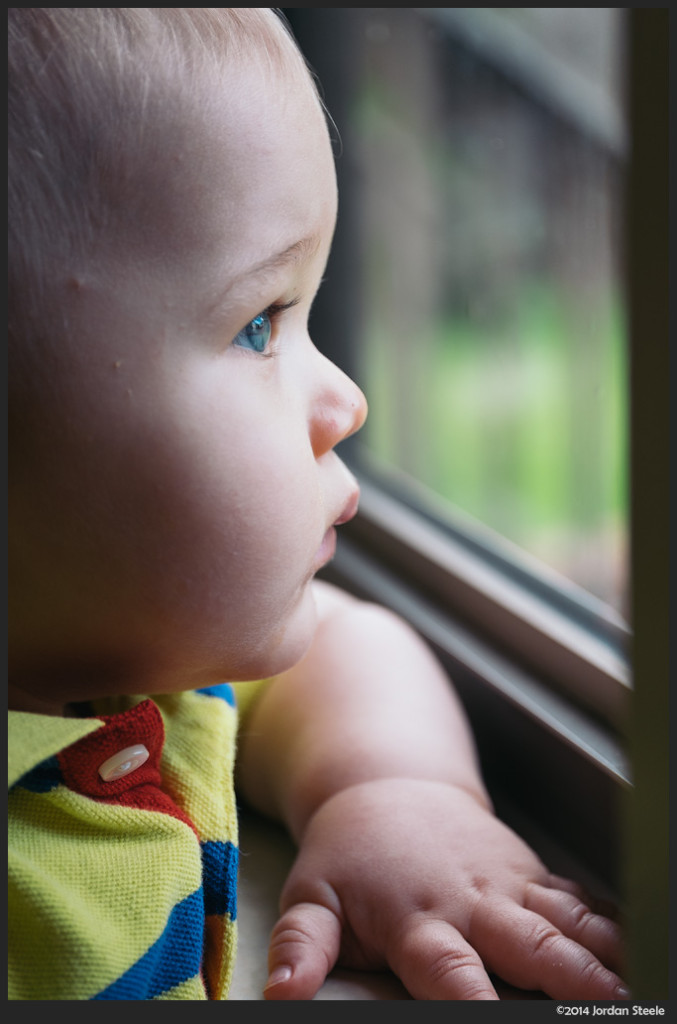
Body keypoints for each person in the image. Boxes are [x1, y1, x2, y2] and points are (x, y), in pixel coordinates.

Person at [8, 8, 628, 1002]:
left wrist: (392, 792)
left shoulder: (134, 657)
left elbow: (345, 646)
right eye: (259, 324)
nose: (345, 400)